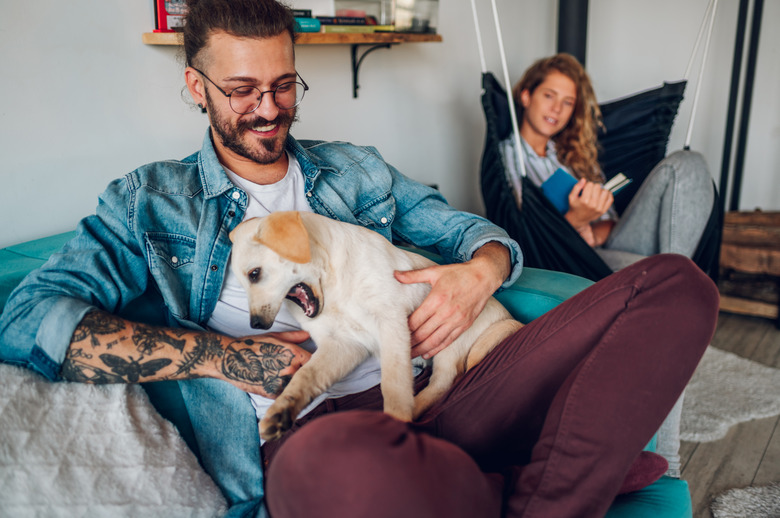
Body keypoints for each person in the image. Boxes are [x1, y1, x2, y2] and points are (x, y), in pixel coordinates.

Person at [0, 2, 718, 517]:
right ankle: (519, 478)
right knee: (348, 468)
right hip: (316, 434)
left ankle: (503, 489)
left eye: (284, 85)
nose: (269, 109)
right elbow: (27, 318)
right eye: (242, 91)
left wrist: (481, 274)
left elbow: (471, 230)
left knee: (675, 287)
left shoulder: (354, 171)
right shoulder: (151, 204)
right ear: (197, 87)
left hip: (449, 391)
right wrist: (226, 358)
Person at [501, 53, 716, 478]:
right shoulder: (510, 160)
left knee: (685, 166)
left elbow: (609, 226)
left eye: (568, 102)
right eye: (549, 95)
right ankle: (668, 463)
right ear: (525, 95)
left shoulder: (567, 157)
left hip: (605, 246)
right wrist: (575, 221)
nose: (557, 109)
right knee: (671, 306)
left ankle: (675, 277)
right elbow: (530, 239)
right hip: (561, 255)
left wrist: (591, 224)